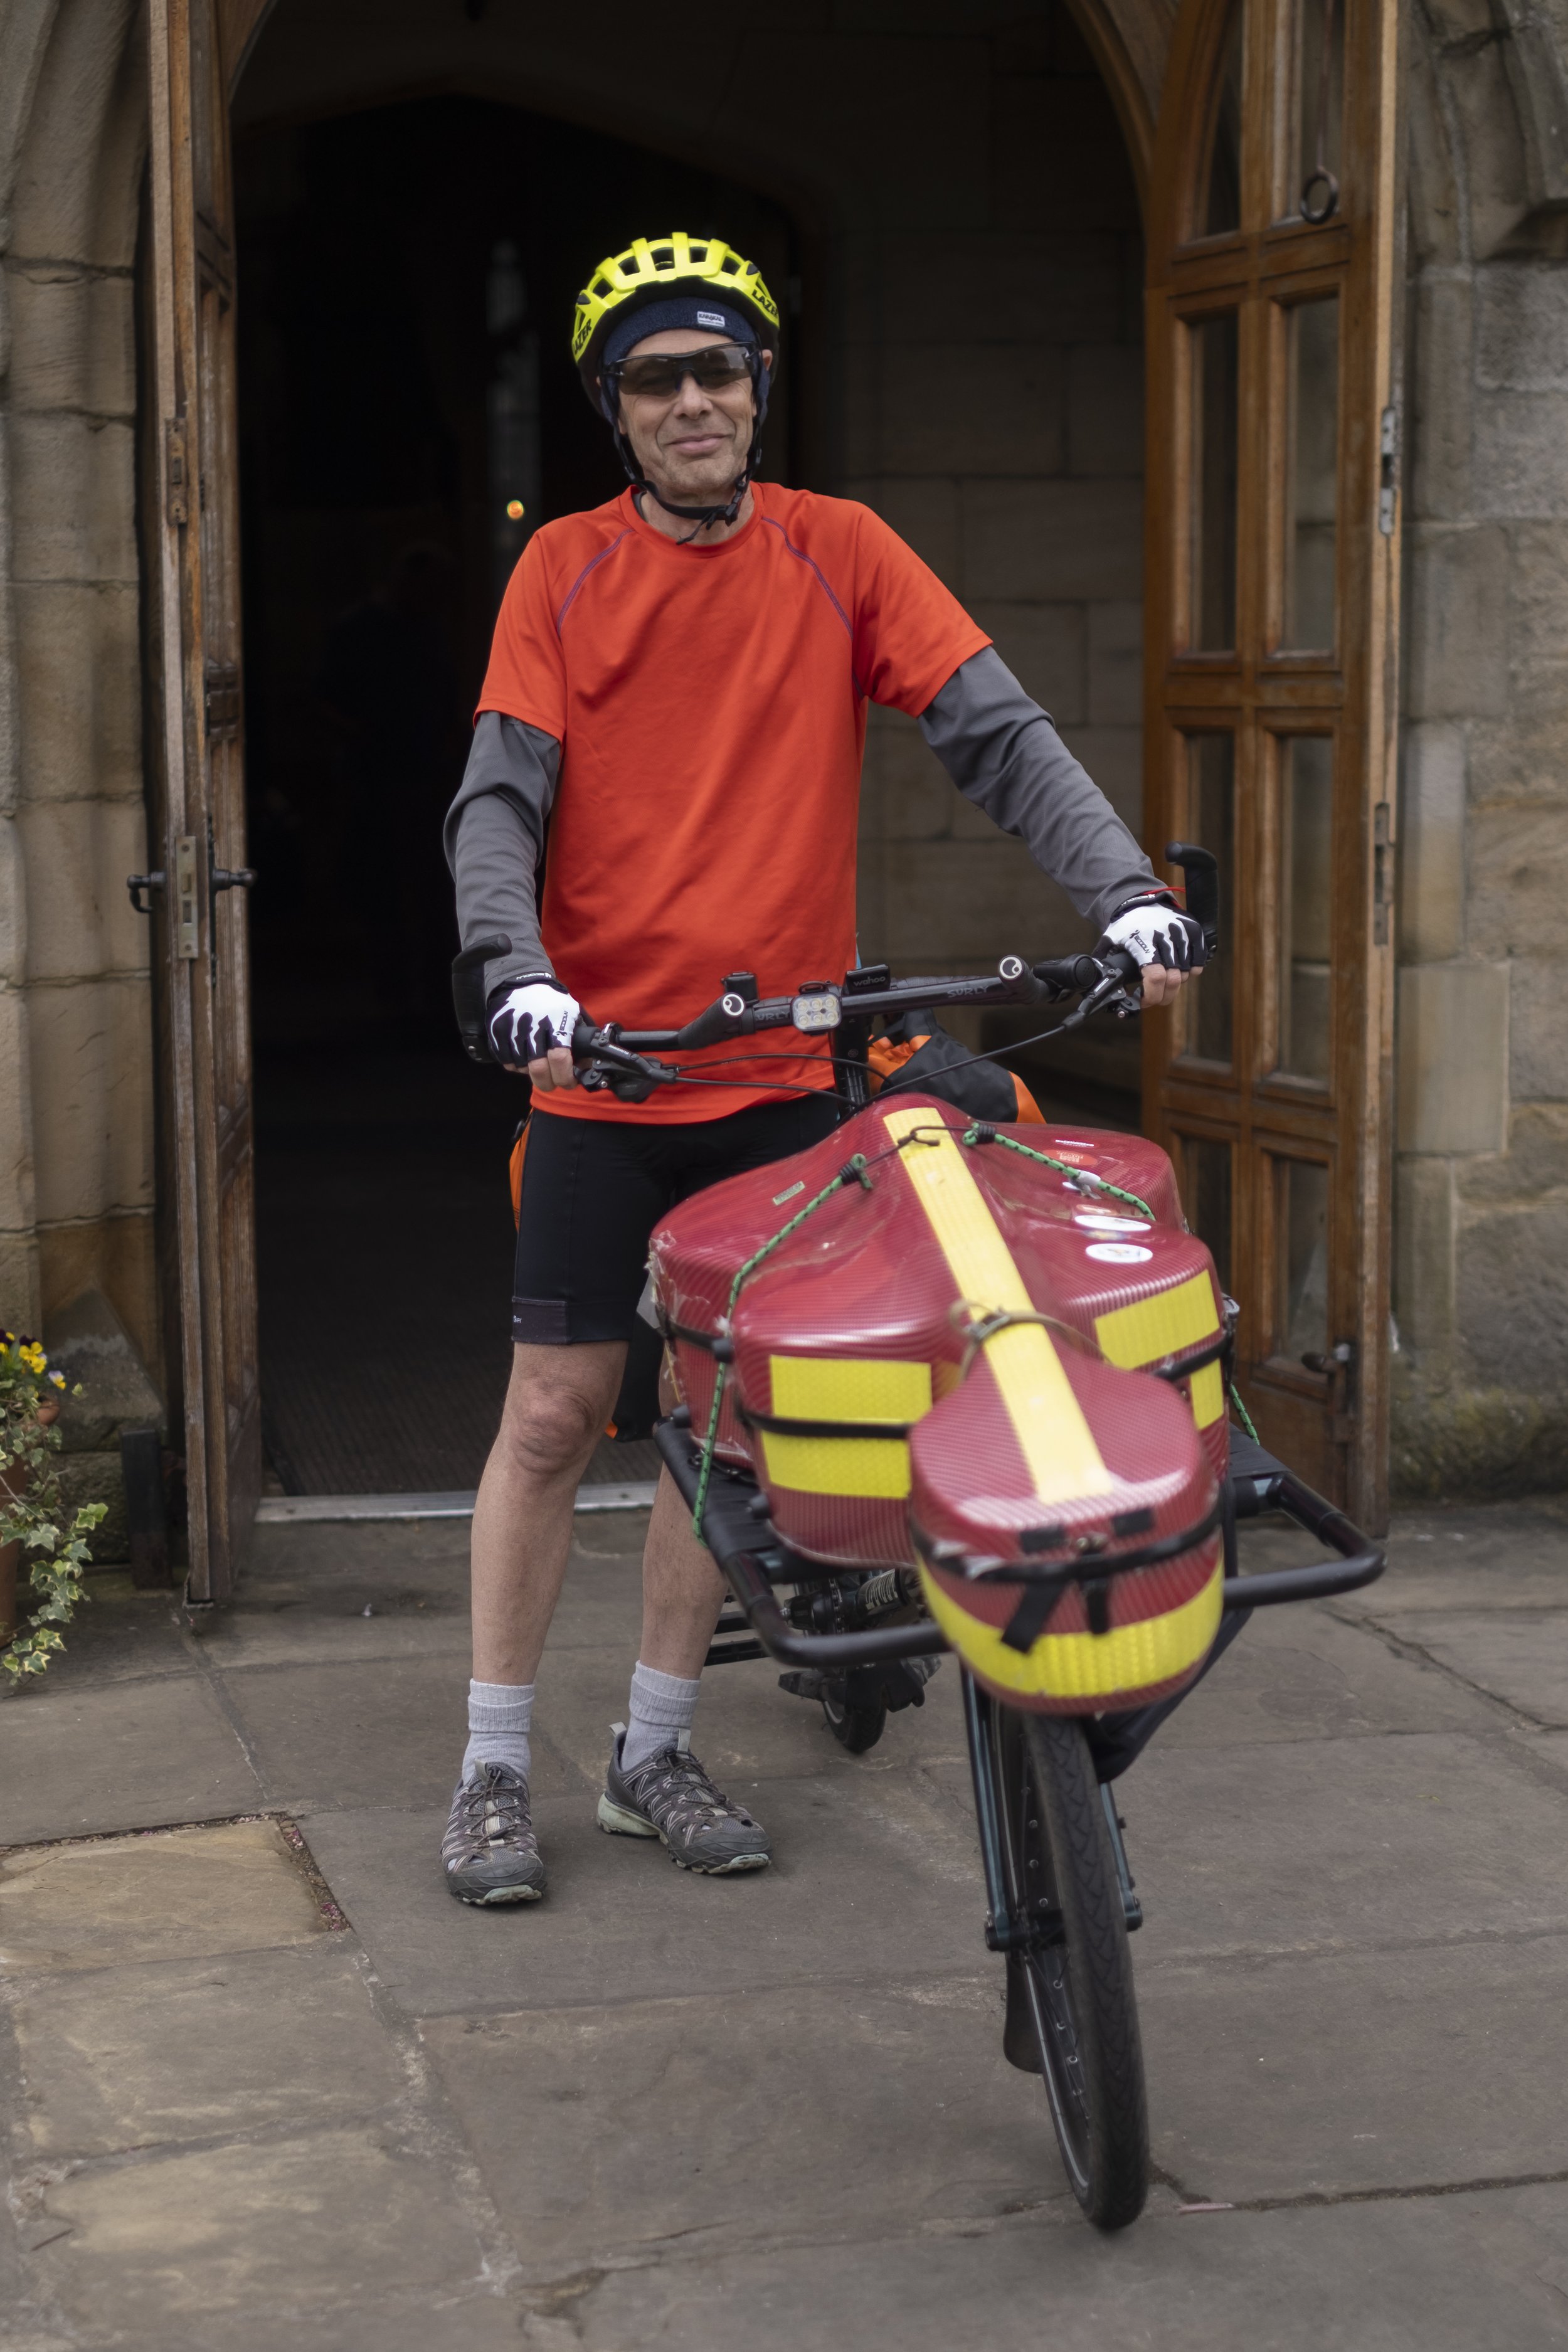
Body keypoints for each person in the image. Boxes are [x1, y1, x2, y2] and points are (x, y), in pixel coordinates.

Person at [441, 231, 1200, 1905]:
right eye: (658, 379)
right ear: (612, 409)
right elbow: (499, 801)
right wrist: (516, 975)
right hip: (613, 1078)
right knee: (559, 1413)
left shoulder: (839, 550)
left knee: (715, 1439)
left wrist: (1130, 897)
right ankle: (495, 1765)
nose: (694, 401)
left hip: (787, 1080)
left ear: (758, 390)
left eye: (720, 371)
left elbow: (997, 738)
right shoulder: (561, 569)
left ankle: (652, 1750)